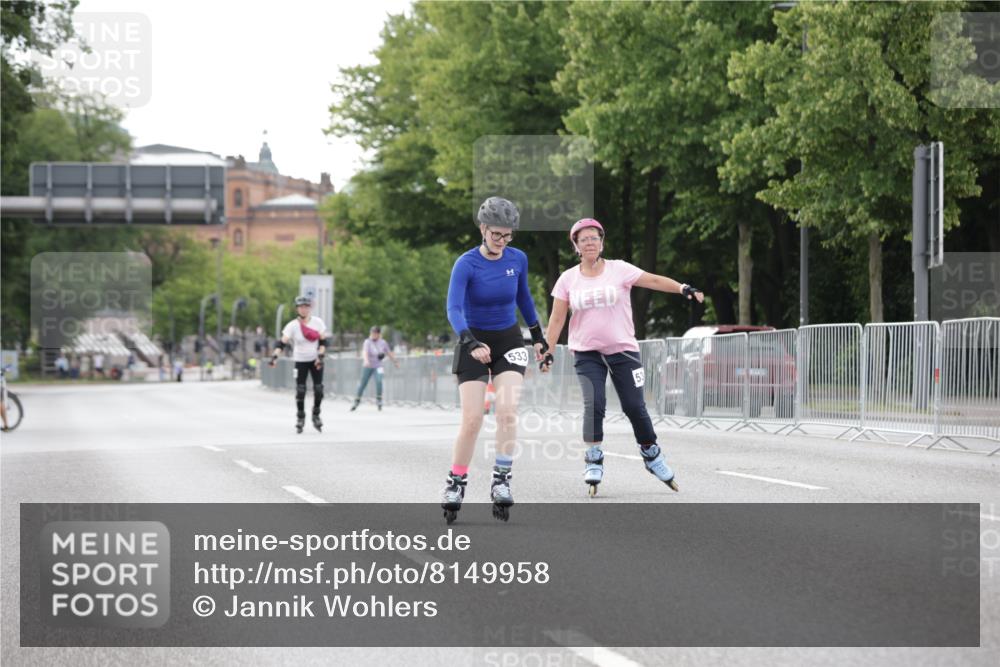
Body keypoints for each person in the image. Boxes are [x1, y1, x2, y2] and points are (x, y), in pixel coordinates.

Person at [541, 218, 704, 497]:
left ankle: (651, 454)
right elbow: (557, 319)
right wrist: (547, 351)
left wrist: (681, 288)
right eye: (584, 239)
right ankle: (593, 458)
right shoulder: (568, 278)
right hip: (586, 351)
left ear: (602, 242)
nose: (590, 242)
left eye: (594, 237)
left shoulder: (619, 270)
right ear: (576, 246)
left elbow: (652, 280)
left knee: (634, 406)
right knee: (595, 403)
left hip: (623, 350)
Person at [440, 196, 548, 524]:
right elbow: (454, 308)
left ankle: (501, 480)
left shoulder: (518, 258)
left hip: (508, 339)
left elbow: (523, 297)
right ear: (483, 229)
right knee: (473, 418)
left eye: (508, 235)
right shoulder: (466, 263)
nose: (502, 241)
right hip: (472, 338)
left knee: (507, 411)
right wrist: (470, 341)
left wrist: (538, 335)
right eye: (497, 234)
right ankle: (456, 483)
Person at [270, 295, 330, 433]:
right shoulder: (292, 325)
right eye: (301, 307)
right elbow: (282, 343)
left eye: (306, 307)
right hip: (300, 361)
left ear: (310, 308)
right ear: (297, 309)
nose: (303, 309)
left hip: (315, 360)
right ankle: (300, 417)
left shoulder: (318, 322)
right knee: (301, 390)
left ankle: (316, 414)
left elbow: (323, 342)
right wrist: (274, 357)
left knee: (319, 389)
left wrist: (320, 356)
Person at [351, 326, 399, 411]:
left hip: (378, 366)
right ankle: (357, 401)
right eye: (372, 333)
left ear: (378, 334)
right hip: (368, 366)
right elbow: (365, 352)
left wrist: (395, 361)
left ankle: (379, 400)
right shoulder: (367, 342)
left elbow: (389, 352)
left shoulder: (383, 342)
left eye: (375, 333)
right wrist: (366, 361)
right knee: (363, 383)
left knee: (379, 381)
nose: (373, 335)